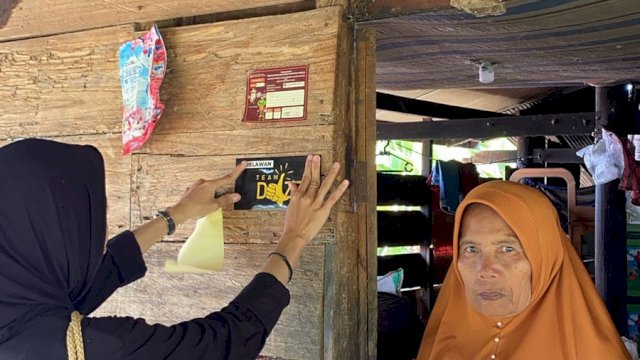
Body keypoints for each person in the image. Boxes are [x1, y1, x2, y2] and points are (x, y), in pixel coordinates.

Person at [0, 138, 349, 359]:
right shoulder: (89, 350)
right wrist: (295, 238)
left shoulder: (15, 291)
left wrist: (177, 214)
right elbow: (224, 343)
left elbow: (102, 275)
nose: (98, 233)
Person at [417, 180, 630, 360]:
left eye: (507, 249)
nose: (485, 270)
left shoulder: (594, 352)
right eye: (471, 249)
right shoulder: (441, 338)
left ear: (546, 257)